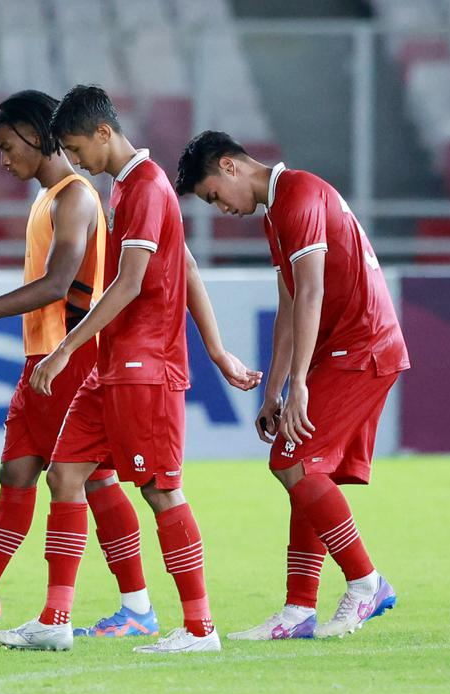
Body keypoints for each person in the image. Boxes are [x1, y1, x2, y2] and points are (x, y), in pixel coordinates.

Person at [0, 86, 261, 653]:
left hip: (144, 366)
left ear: (105, 133)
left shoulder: (145, 187)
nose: (76, 159)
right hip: (112, 367)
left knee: (161, 491)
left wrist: (65, 348)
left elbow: (131, 281)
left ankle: (199, 629)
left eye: (77, 147)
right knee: (65, 475)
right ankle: (55, 622)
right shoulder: (127, 188)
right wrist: (217, 350)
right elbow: (183, 264)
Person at [0, 90, 157, 637]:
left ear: (36, 135)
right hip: (42, 357)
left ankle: (120, 609)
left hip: (73, 355)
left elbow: (60, 284)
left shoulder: (76, 198)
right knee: (20, 471)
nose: (2, 158)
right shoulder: (47, 199)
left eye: (7, 145)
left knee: (89, 481)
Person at [175, 130, 408, 640]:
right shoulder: (279, 209)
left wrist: (299, 382)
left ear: (230, 167)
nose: (220, 209)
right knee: (303, 467)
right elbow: (288, 303)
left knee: (292, 461)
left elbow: (313, 295)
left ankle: (367, 582)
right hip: (344, 350)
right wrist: (274, 389)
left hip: (363, 347)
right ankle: (299, 611)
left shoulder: (299, 195)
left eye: (213, 195)